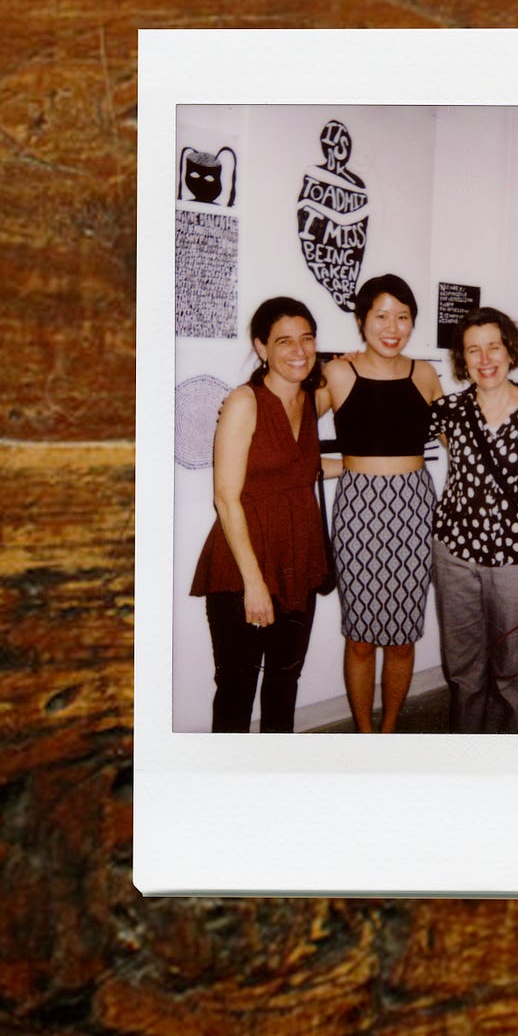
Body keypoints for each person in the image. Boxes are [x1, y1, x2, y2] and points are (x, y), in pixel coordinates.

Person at [190, 297, 331, 733]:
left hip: (297, 561)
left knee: (284, 687)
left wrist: (375, 467)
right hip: (244, 567)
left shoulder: (310, 400)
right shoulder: (244, 402)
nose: (299, 350)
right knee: (236, 691)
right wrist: (254, 584)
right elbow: (225, 498)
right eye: (284, 341)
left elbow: (299, 467)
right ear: (261, 347)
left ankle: (275, 771)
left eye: (307, 338)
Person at [427, 307, 518, 734]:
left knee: (509, 673)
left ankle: (509, 762)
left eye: (494, 346)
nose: (485, 358)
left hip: (515, 565)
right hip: (454, 557)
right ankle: (468, 754)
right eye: (474, 350)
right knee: (463, 672)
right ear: (463, 359)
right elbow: (390, 428)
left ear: (510, 351)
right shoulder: (450, 410)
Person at [322, 274, 445, 732]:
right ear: (361, 320)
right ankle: (364, 732)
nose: (392, 328)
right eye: (381, 316)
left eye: (403, 317)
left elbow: (459, 439)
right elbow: (286, 423)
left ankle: (389, 729)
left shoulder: (425, 373)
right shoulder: (338, 373)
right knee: (359, 637)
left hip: (415, 507)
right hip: (358, 509)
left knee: (402, 637)